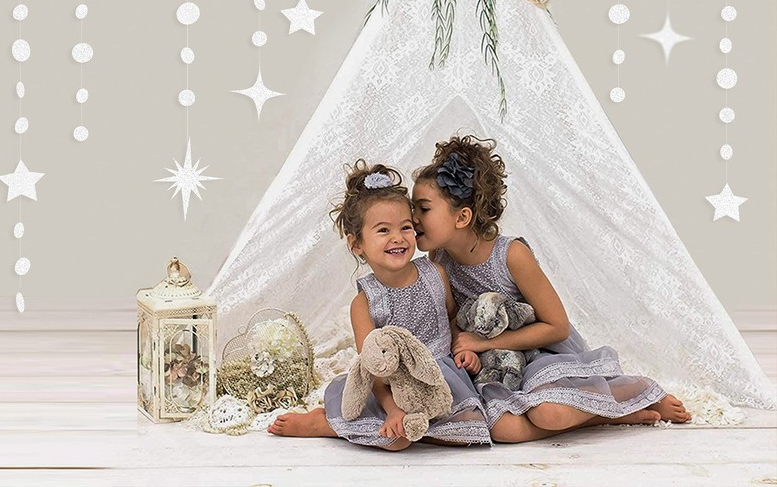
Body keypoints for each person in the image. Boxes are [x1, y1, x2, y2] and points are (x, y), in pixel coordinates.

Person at [412, 135, 692, 443]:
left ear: (462, 217)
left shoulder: (511, 255)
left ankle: (635, 393)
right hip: (491, 364)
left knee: (548, 414)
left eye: (423, 209)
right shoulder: (439, 257)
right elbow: (453, 315)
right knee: (502, 430)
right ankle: (602, 417)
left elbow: (557, 327)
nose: (413, 219)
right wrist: (465, 348)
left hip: (537, 353)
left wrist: (484, 343)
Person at [268, 161, 491, 449]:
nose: (398, 237)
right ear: (357, 244)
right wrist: (393, 409)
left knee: (469, 429)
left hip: (438, 376)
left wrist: (463, 349)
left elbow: (450, 320)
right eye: (383, 230)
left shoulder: (435, 274)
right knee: (398, 441)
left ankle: (414, 427)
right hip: (390, 385)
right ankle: (326, 424)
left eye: (406, 227)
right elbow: (372, 367)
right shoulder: (365, 302)